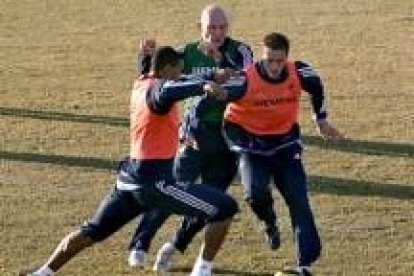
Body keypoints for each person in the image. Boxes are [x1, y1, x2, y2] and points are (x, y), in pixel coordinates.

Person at [20, 46, 242, 276]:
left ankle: (42, 273)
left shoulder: (141, 82)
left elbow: (177, 81)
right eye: (178, 70)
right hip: (153, 183)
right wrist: (204, 86)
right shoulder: (161, 92)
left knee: (91, 231)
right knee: (224, 207)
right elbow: (171, 88)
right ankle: (202, 271)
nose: (180, 75)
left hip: (128, 180)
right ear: (167, 69)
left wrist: (212, 75)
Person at [128, 5, 281, 272]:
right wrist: (145, 59)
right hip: (194, 135)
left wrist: (220, 57)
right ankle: (140, 245)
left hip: (228, 136)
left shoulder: (240, 50)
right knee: (172, 187)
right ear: (199, 28)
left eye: (222, 27)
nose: (218, 33)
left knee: (211, 201)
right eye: (211, 27)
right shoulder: (183, 53)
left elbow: (248, 80)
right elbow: (153, 83)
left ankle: (176, 246)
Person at [221, 32, 344, 276]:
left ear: (287, 57)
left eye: (279, 60)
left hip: (285, 145)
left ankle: (304, 265)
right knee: (254, 193)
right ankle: (270, 223)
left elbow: (317, 86)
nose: (274, 66)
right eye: (269, 60)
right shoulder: (244, 80)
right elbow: (214, 97)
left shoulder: (299, 72)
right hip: (250, 145)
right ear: (262, 57)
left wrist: (320, 120)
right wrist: (188, 127)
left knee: (299, 202)